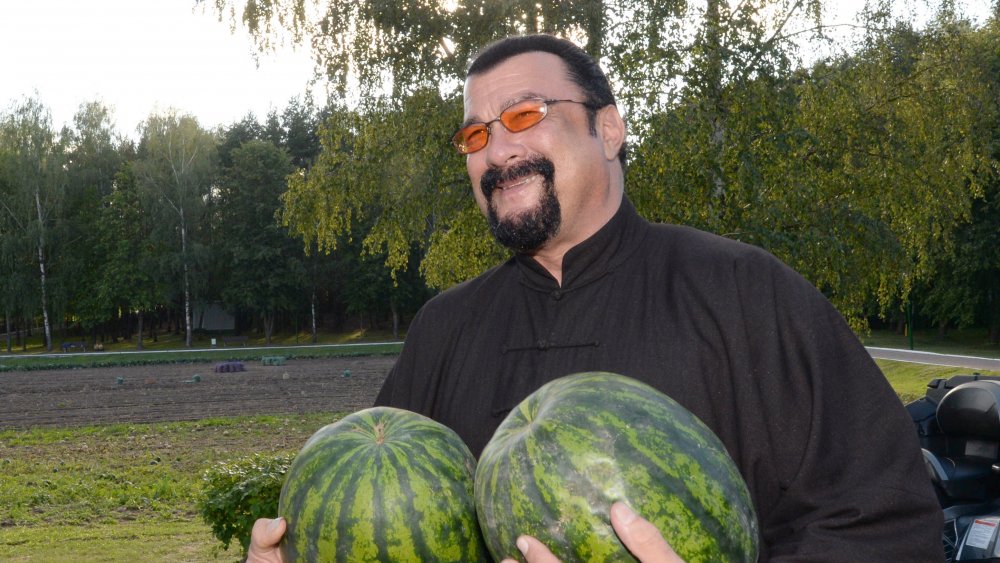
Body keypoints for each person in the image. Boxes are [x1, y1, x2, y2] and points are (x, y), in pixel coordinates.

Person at [250, 34, 944, 561]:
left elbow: (888, 524)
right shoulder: (444, 329)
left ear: (608, 129)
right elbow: (375, 523)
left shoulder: (744, 293)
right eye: (475, 134)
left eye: (524, 115)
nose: (495, 152)